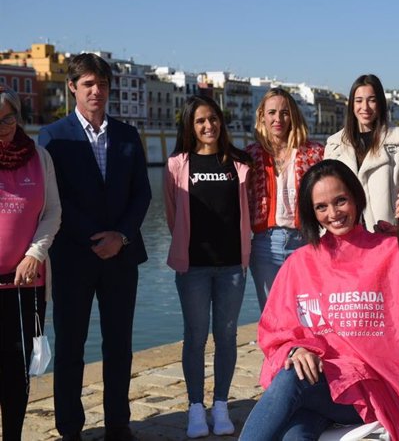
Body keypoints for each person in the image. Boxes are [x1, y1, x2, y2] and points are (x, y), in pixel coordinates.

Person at [240, 159, 399, 440]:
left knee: (290, 382)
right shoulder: (300, 263)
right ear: (311, 212)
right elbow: (276, 331)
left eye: (340, 200)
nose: (333, 213)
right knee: (294, 433)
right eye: (321, 207)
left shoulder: (392, 250)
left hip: (378, 389)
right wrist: (296, 350)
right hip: (323, 385)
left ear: (356, 198)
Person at [39, 53, 151, 441]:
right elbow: (55, 199)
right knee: (71, 346)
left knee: (119, 344)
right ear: (72, 87)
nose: (96, 91)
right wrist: (95, 238)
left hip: (122, 257)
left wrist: (120, 236)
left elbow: (142, 193)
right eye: (88, 84)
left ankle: (118, 423)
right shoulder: (54, 136)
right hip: (73, 257)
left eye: (102, 84)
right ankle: (70, 428)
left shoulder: (127, 135)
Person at [164, 95, 253, 438]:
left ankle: (220, 405)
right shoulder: (177, 165)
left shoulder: (239, 162)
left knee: (227, 336)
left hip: (232, 266)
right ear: (190, 126)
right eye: (200, 121)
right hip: (194, 269)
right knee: (195, 337)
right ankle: (195, 408)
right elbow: (173, 217)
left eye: (213, 119)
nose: (208, 126)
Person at [0, 86, 61, 441]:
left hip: (27, 286)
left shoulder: (39, 157)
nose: (3, 126)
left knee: (18, 370)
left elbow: (53, 212)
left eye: (9, 117)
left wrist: (35, 253)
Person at [246, 88, 323, 311]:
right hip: (265, 245)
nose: (278, 119)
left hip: (305, 241)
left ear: (293, 116)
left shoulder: (315, 153)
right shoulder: (251, 155)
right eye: (271, 113)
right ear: (262, 117)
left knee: (308, 315)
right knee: (273, 316)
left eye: (284, 112)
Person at [325, 74, 399, 230]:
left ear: (380, 103)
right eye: (359, 101)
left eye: (371, 100)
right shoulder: (334, 145)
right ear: (351, 105)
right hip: (346, 237)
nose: (364, 107)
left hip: (387, 236)